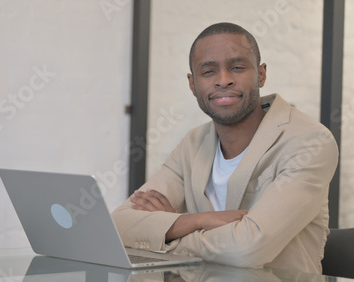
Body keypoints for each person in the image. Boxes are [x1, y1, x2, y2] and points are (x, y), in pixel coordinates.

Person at [111, 22, 339, 274]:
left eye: (237, 68)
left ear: (261, 74)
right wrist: (195, 220)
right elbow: (119, 224)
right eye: (208, 72)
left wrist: (166, 229)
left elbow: (246, 249)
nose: (223, 80)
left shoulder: (308, 141)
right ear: (192, 84)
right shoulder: (192, 143)